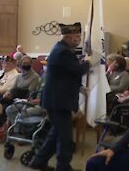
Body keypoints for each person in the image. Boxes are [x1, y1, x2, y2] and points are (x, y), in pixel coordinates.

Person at [30, 22, 91, 171]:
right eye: (76, 37)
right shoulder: (63, 52)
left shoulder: (61, 50)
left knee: (55, 133)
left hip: (57, 99)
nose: (79, 40)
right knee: (65, 138)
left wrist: (80, 87)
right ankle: (63, 167)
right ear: (69, 37)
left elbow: (65, 76)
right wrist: (88, 62)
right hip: (59, 100)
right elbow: (77, 70)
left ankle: (39, 161)